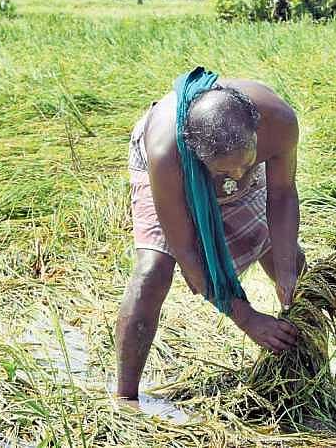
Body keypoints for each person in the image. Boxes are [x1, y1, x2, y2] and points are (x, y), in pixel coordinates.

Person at [116, 69, 304, 400]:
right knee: (152, 271)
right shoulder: (167, 153)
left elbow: (283, 192)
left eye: (245, 164)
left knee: (290, 263)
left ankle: (311, 368)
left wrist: (288, 269)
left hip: (229, 153)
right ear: (195, 154)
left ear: (256, 129)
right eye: (224, 172)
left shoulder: (279, 122)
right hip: (171, 173)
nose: (237, 177)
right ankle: (125, 397)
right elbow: (186, 249)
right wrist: (246, 318)